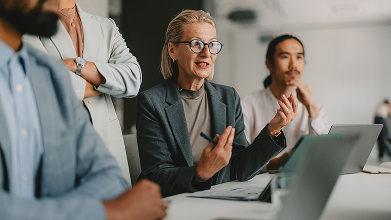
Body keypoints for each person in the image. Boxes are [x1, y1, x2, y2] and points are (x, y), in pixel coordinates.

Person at [0, 0, 166, 219]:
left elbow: (111, 177)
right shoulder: (53, 77)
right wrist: (107, 211)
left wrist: (77, 65)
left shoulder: (46, 73)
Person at [136, 10, 298, 198]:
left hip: (215, 195)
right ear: (173, 50)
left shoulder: (228, 96)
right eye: (196, 44)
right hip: (170, 201)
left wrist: (273, 130)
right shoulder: (151, 102)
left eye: (212, 45)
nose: (206, 53)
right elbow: (157, 176)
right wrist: (201, 173)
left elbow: (241, 168)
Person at [22, 0, 142, 184]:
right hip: (61, 147)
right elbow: (45, 82)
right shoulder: (28, 26)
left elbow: (133, 79)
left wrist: (76, 65)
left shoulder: (106, 26)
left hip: (106, 145)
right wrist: (108, 83)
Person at [241, 34, 329, 170]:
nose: (293, 65)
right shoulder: (246, 105)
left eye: (299, 57)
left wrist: (311, 107)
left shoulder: (315, 108)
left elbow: (324, 155)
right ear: (269, 64)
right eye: (285, 57)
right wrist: (277, 162)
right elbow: (241, 161)